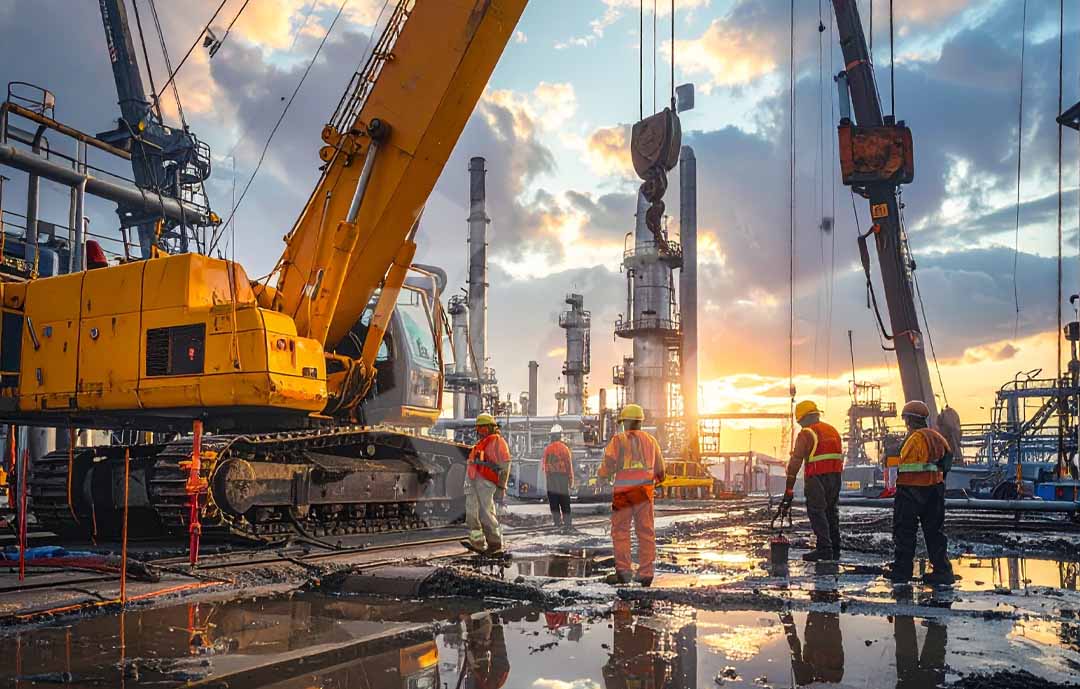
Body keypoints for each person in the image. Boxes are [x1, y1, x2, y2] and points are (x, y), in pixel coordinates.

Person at [598, 404, 665, 587]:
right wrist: (654, 482)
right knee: (646, 531)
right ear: (640, 422)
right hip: (644, 492)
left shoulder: (618, 440)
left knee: (621, 531)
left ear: (624, 422)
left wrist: (602, 476)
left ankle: (624, 571)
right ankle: (646, 573)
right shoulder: (651, 441)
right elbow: (661, 471)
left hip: (623, 492)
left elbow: (608, 463)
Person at [890, 400, 955, 585]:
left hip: (910, 490)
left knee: (905, 531)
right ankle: (943, 571)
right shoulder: (938, 437)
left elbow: (900, 465)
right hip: (935, 490)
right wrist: (938, 480)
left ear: (909, 420)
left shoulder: (913, 439)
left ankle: (902, 571)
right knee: (935, 533)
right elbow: (947, 462)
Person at [781, 400, 844, 562]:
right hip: (835, 477)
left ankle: (824, 549)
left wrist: (789, 488)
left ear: (802, 418)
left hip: (816, 477)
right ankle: (835, 546)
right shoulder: (832, 430)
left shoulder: (806, 433)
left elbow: (796, 461)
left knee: (817, 511)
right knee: (831, 510)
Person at [462, 413, 511, 556]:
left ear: (490, 427)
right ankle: (477, 543)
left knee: (486, 514)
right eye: (478, 427)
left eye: (481, 427)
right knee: (471, 514)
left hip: (486, 482)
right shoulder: (479, 444)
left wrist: (502, 486)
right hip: (473, 481)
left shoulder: (498, 442)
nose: (479, 430)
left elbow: (506, 465)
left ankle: (495, 544)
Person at [541, 424, 575, 530]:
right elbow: (568, 465)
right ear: (560, 436)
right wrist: (571, 480)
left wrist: (548, 477)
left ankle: (557, 522)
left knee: (553, 501)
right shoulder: (565, 449)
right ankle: (567, 523)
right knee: (564, 500)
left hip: (551, 478)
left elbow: (544, 466)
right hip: (562, 478)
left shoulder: (547, 449)